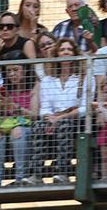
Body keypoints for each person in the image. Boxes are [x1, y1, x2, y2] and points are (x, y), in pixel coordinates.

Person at [34, 38, 87, 184]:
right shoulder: (48, 80)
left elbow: (85, 107)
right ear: (57, 54)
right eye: (62, 50)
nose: (66, 52)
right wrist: (48, 117)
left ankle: (63, 172)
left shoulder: (84, 78)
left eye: (69, 50)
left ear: (75, 53)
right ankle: (37, 174)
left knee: (64, 123)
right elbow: (44, 107)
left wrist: (62, 116)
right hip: (53, 118)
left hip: (76, 119)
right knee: (38, 126)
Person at [0, 58, 37, 187]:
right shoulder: (5, 89)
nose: (12, 74)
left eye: (16, 70)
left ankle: (20, 178)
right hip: (8, 122)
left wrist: (16, 107)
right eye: (9, 71)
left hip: (27, 124)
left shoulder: (34, 87)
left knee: (17, 131)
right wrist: (2, 106)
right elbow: (2, 116)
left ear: (25, 71)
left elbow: (35, 116)